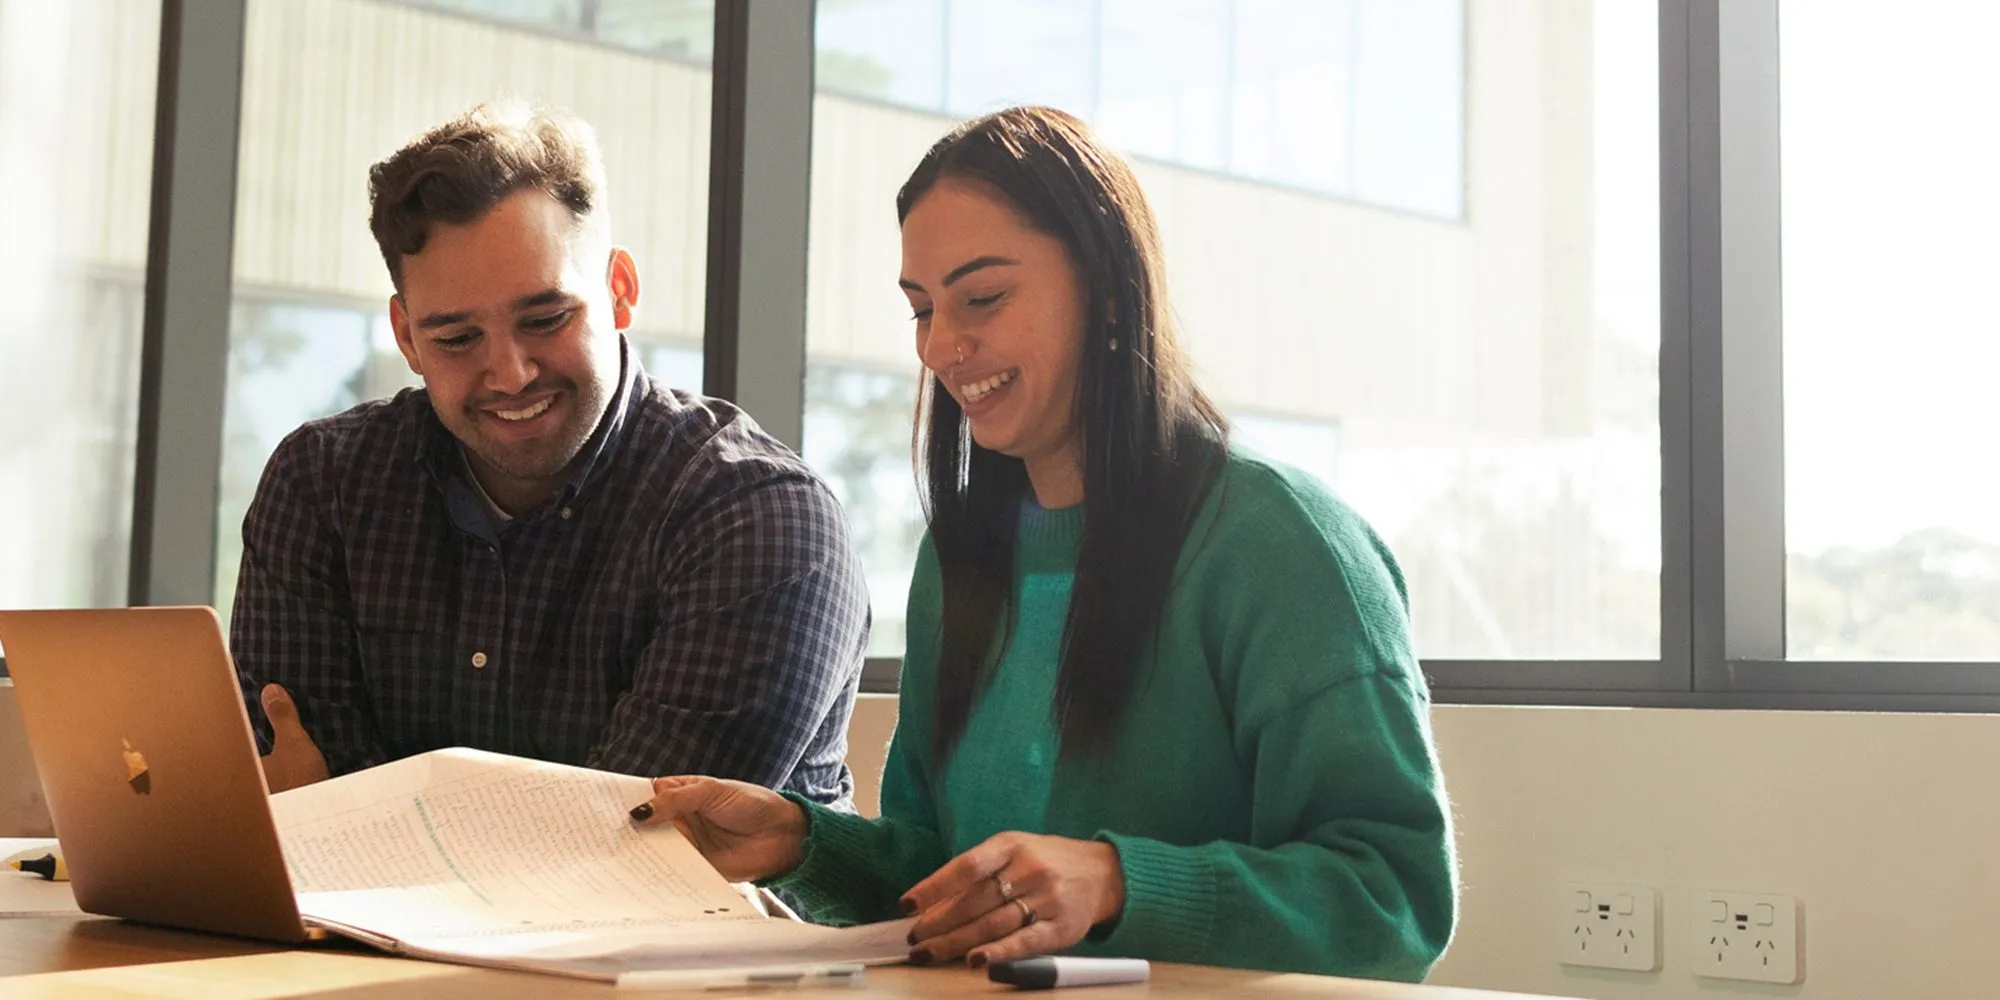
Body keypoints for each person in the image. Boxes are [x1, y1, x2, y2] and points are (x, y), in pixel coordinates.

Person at [628, 106, 1457, 979]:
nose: (943, 347)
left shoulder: (1283, 544)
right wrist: (800, 841)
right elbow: (945, 885)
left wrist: (1113, 881)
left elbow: (1397, 899)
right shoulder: (957, 564)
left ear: (1105, 288)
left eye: (982, 297)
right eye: (921, 310)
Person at [232, 101, 870, 809]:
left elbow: (627, 845)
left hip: (705, 924)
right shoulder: (321, 486)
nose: (509, 374)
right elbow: (294, 810)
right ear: (407, 338)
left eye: (545, 319)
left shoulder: (759, 517)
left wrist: (353, 821)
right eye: (456, 340)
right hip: (355, 926)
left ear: (620, 292)